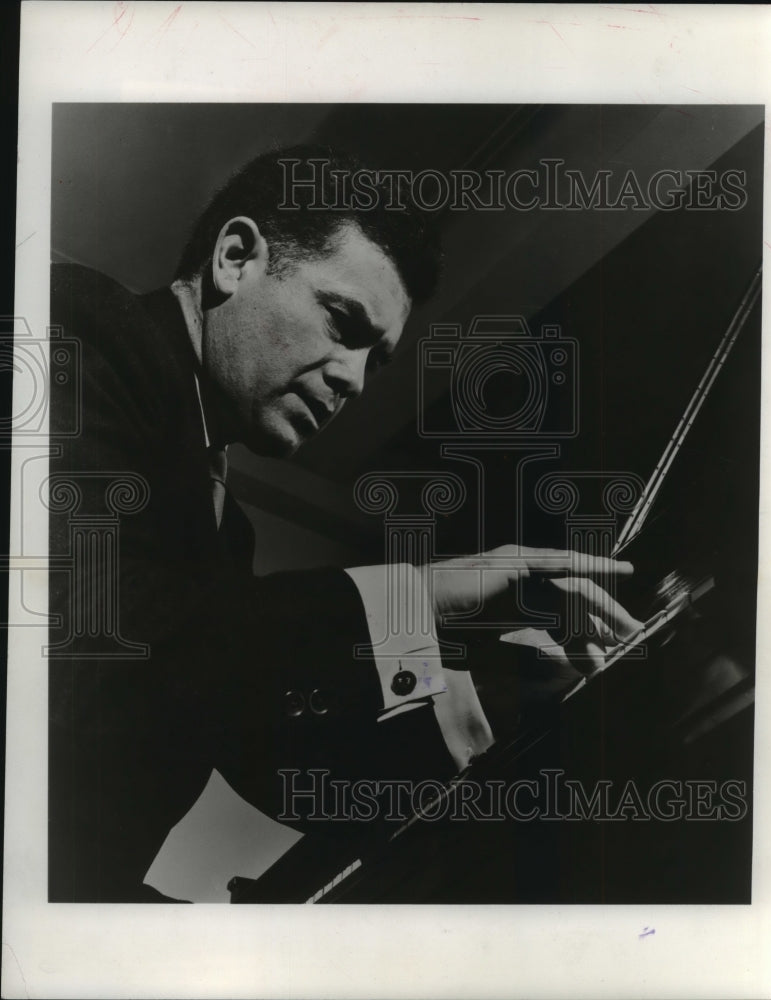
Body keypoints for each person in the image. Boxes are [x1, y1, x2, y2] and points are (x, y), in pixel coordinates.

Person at [48, 145, 639, 902]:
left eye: (376, 361)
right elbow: (81, 652)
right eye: (342, 322)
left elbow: (235, 724)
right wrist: (413, 595)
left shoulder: (230, 533)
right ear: (235, 258)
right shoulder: (78, 329)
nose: (353, 381)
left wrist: (487, 679)